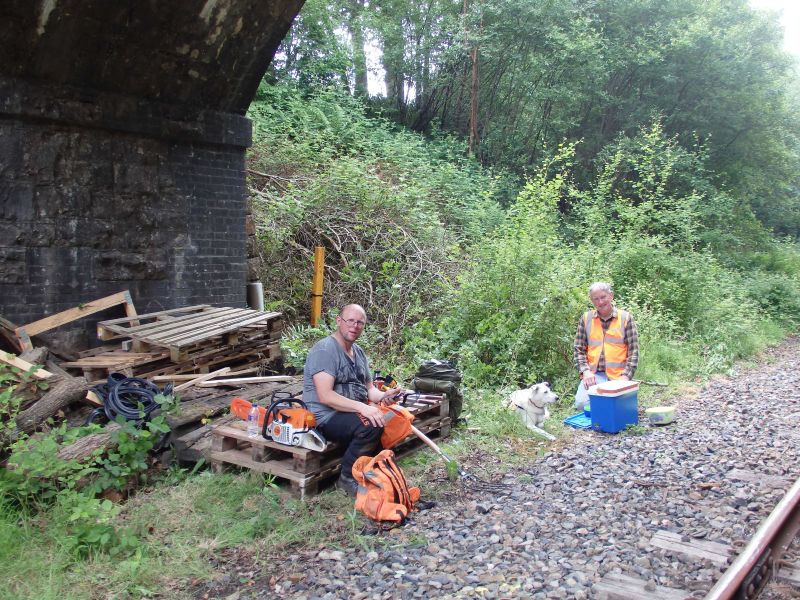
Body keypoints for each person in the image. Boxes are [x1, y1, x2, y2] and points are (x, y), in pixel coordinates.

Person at [302, 304, 402, 496]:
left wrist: (383, 397)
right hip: (325, 417)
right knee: (370, 425)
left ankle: (371, 469)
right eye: (350, 321)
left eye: (360, 323)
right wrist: (363, 409)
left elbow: (369, 389)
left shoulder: (359, 352)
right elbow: (326, 396)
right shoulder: (325, 350)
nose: (354, 326)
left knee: (388, 418)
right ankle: (347, 478)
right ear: (339, 321)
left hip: (349, 412)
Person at [573, 282, 639, 410]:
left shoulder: (625, 318)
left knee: (619, 407)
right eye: (595, 299)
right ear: (592, 301)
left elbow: (634, 352)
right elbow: (578, 350)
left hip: (619, 376)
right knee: (582, 404)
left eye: (603, 297)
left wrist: (625, 377)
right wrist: (586, 372)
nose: (600, 302)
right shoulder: (586, 318)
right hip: (594, 375)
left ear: (611, 296)